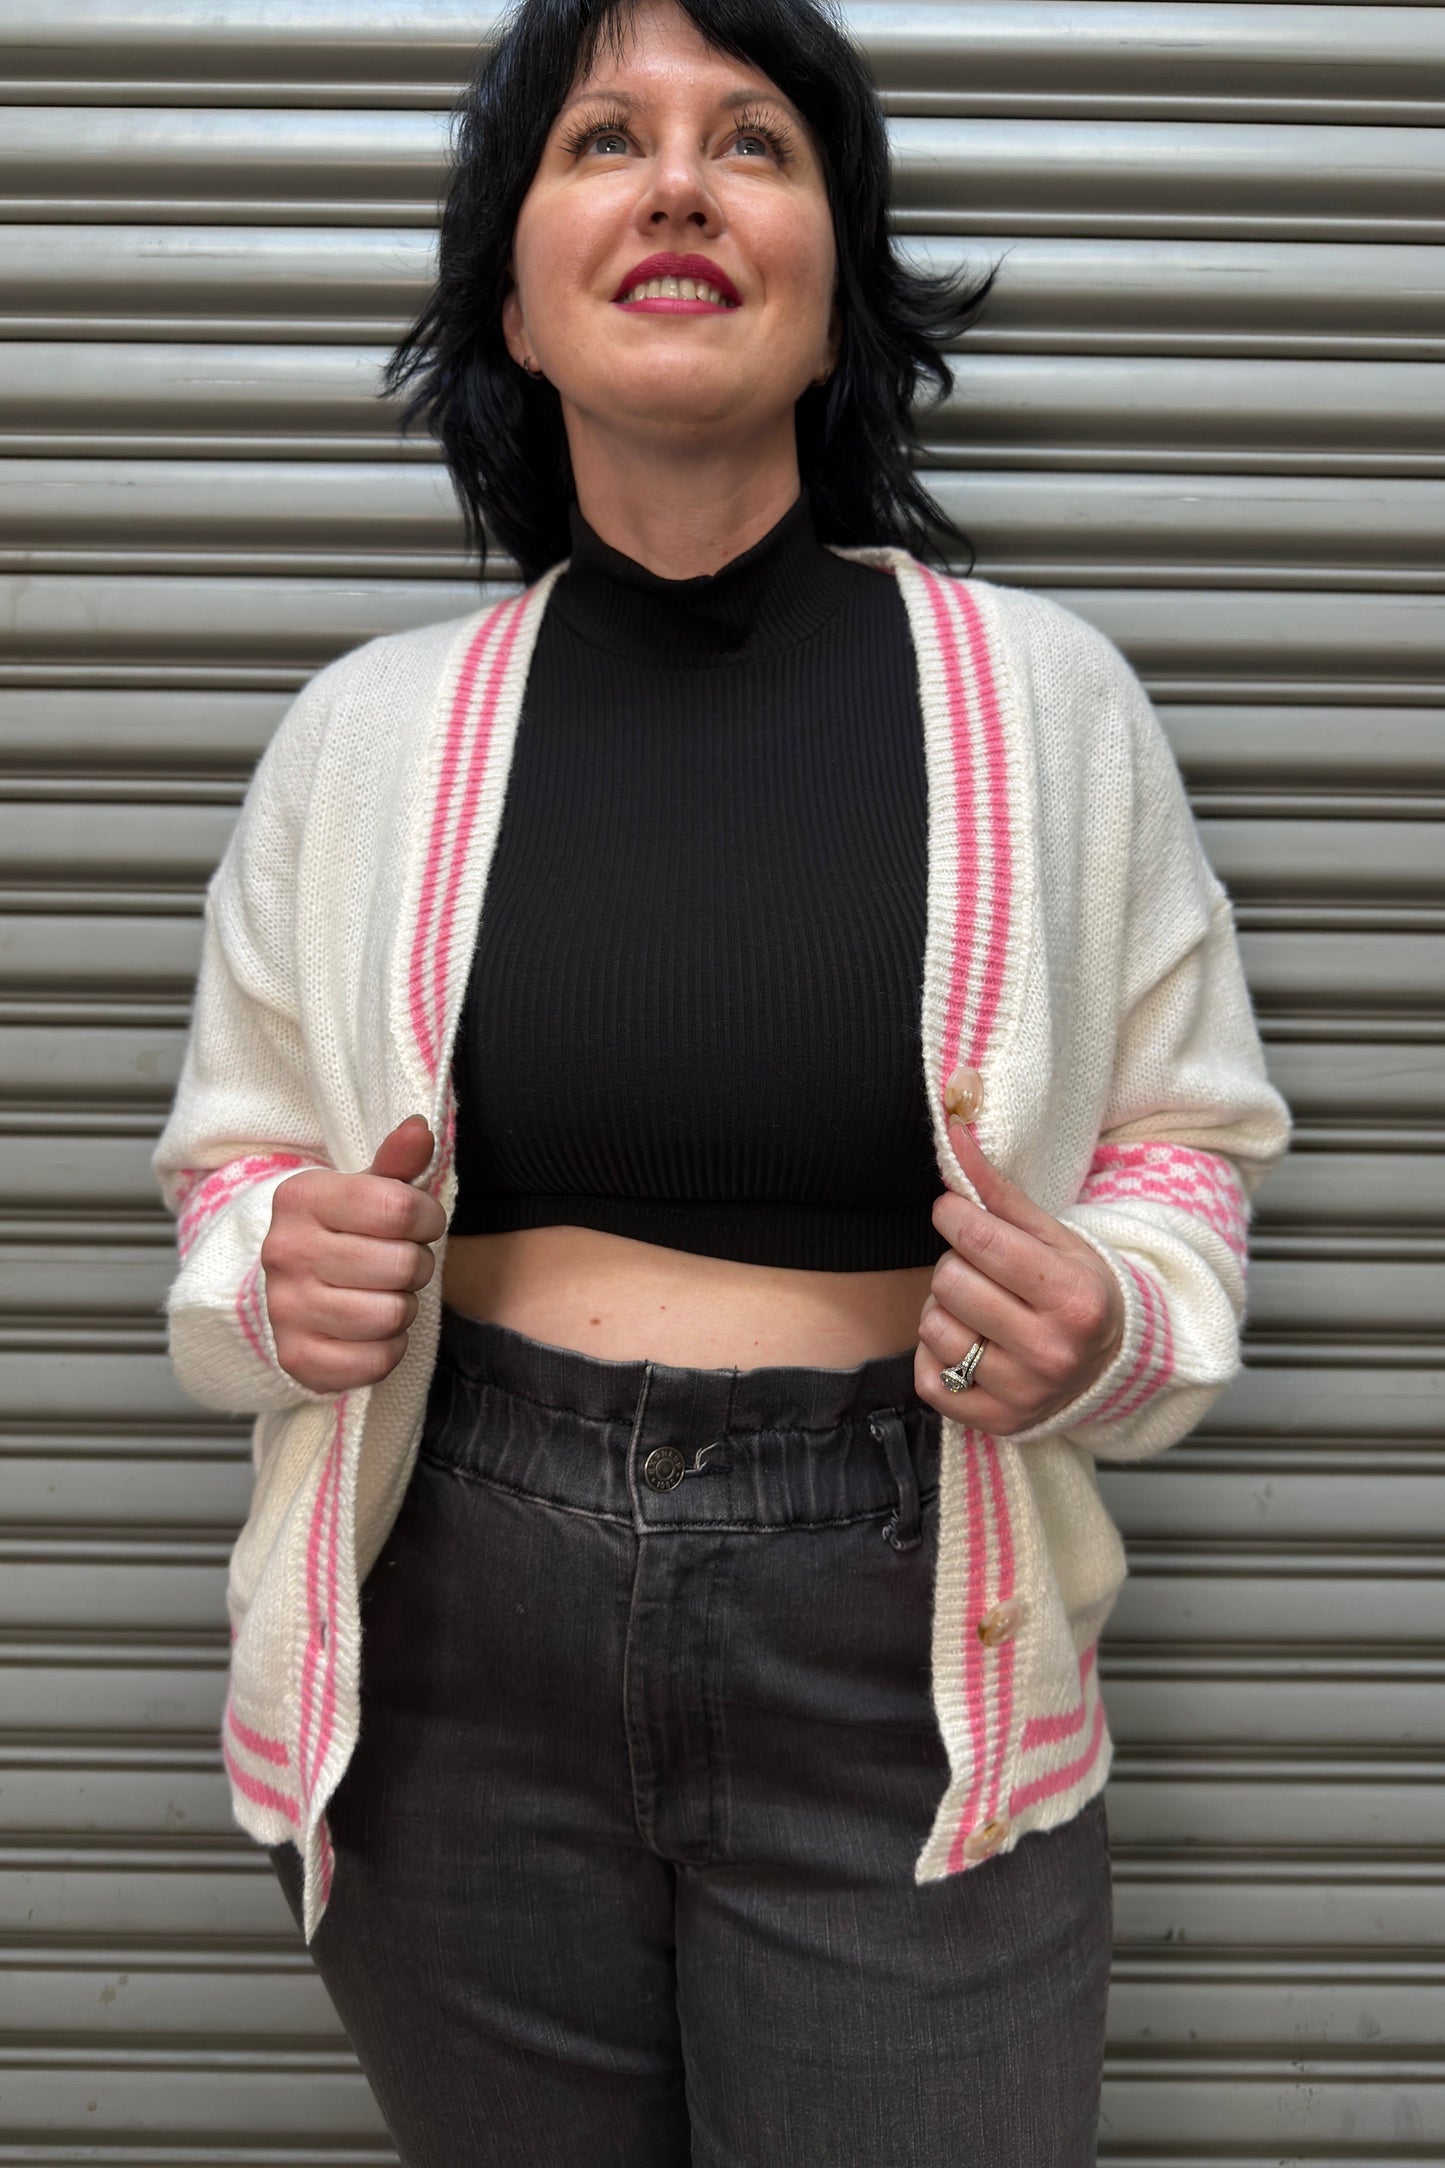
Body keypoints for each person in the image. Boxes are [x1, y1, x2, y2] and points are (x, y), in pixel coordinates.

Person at [151, 0, 1291, 2159]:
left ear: (832, 275)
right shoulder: (365, 735)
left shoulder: (1045, 702)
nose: (678, 182)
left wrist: (1112, 1319)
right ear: (515, 290)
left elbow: (1184, 1145)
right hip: (447, 1644)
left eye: (749, 141)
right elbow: (239, 1168)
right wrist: (271, 1274)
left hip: (901, 1638)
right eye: (605, 140)